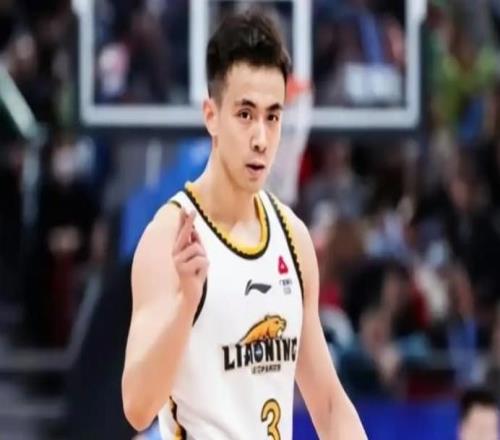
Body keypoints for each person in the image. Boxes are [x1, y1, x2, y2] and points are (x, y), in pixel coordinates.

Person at [122, 10, 367, 440]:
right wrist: (186, 304)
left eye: (273, 117)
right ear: (211, 115)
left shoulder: (293, 238)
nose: (261, 138)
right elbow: (137, 408)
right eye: (245, 114)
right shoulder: (168, 238)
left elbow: (328, 404)